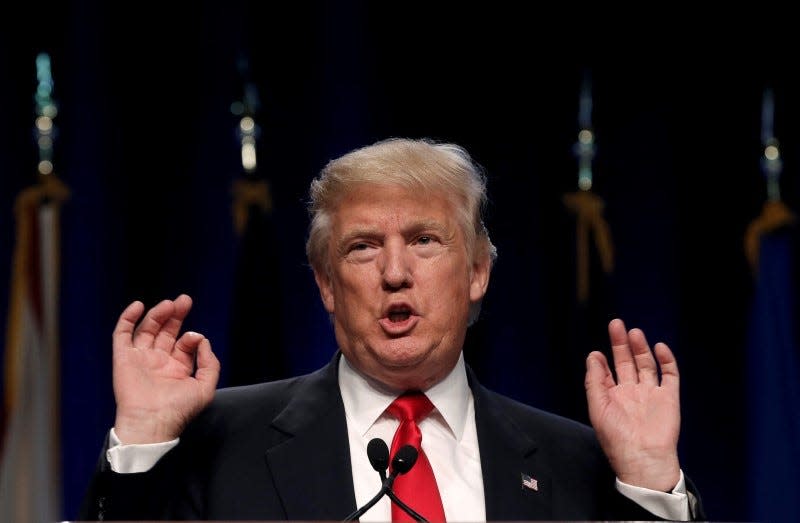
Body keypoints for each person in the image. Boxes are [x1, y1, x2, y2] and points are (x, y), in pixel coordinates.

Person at [79, 137, 704, 521]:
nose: (395, 272)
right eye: (362, 247)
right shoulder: (214, 448)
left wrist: (650, 478)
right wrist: (141, 444)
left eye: (425, 241)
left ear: (478, 272)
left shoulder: (580, 465)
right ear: (326, 284)